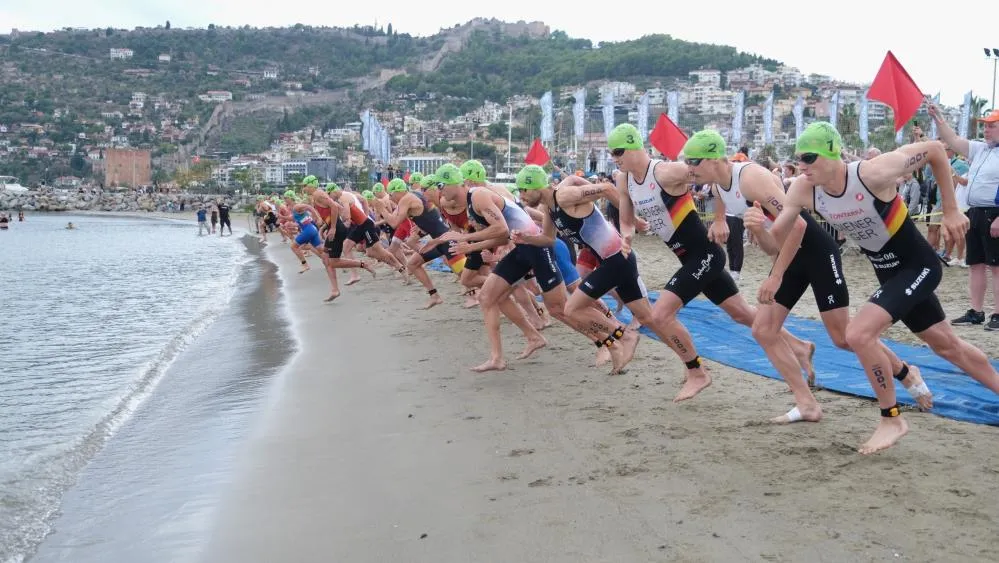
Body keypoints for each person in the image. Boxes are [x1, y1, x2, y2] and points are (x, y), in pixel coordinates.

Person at [771, 121, 998, 454]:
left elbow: (935, 149)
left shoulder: (873, 172)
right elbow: (777, 238)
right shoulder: (803, 190)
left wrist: (950, 210)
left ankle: (891, 418)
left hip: (918, 266)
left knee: (858, 334)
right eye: (798, 159)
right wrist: (758, 228)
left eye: (809, 157)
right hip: (888, 274)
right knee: (949, 347)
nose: (801, 166)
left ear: (832, 153)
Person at [684, 129, 930, 423]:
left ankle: (905, 372)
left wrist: (775, 276)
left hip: (815, 252)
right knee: (763, 330)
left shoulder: (751, 179)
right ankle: (807, 403)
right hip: (787, 258)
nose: (689, 168)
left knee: (842, 337)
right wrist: (723, 220)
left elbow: (798, 227)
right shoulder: (717, 185)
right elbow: (737, 210)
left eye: (694, 161)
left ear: (716, 160)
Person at [610, 123, 815, 401]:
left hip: (706, 254)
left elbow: (721, 176)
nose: (614, 157)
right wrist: (627, 235)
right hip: (687, 257)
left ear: (634, 146)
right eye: (611, 153)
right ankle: (799, 346)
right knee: (741, 313)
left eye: (618, 151)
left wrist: (719, 218)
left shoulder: (666, 172)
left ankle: (697, 372)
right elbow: (626, 217)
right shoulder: (624, 180)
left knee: (660, 316)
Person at [435, 165, 639, 374]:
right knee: (488, 296)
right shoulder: (544, 206)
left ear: (456, 182)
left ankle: (610, 341)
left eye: (440, 185)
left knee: (562, 307)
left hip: (542, 250)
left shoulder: (479, 196)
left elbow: (503, 229)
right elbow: (504, 235)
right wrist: (471, 246)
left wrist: (467, 239)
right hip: (524, 247)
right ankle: (503, 354)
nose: (439, 190)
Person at [929, 104, 999, 328]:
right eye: (985, 126)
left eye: (992, 126)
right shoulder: (981, 149)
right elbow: (952, 139)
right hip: (975, 211)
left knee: (996, 267)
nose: (986, 130)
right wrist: (938, 117)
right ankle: (976, 311)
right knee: (976, 264)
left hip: (994, 213)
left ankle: (998, 314)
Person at [372, 176, 465, 309]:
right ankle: (435, 296)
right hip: (436, 241)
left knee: (468, 277)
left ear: (397, 192)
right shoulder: (412, 196)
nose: (391, 198)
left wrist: (381, 209)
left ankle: (483, 293)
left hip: (445, 241)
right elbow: (431, 216)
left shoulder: (406, 199)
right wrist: (422, 229)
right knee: (413, 264)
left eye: (391, 195)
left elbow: (393, 223)